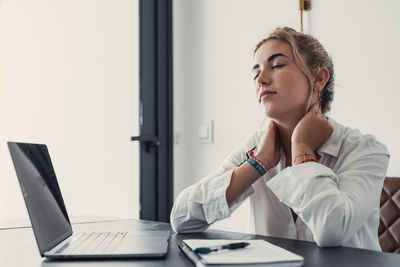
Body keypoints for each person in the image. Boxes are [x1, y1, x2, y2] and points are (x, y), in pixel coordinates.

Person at [170, 27, 390, 250]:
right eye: (255, 73)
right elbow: (181, 219)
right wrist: (257, 164)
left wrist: (301, 149)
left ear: (319, 77)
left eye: (277, 65)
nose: (261, 80)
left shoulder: (364, 150)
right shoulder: (255, 147)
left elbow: (331, 230)